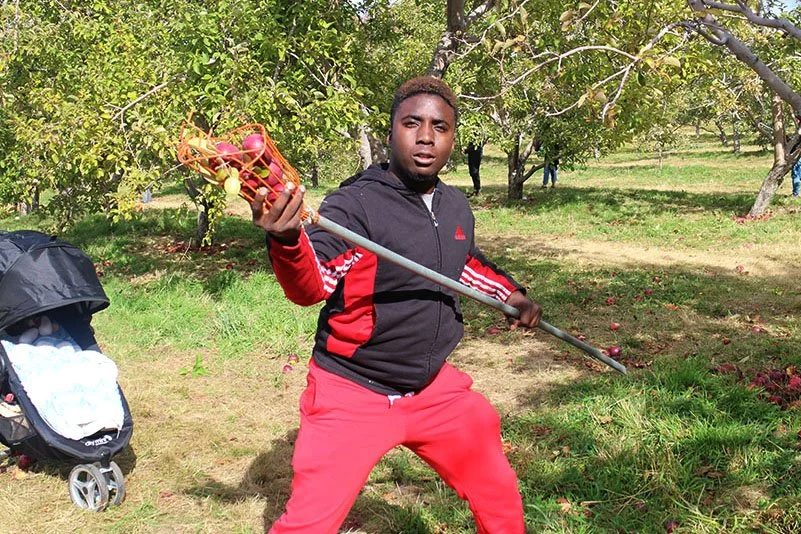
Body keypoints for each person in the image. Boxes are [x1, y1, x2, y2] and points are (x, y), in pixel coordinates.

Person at [251, 75, 542, 534]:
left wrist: (511, 294)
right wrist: (288, 240)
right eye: (412, 123)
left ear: (452, 139)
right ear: (391, 132)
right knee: (308, 524)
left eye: (440, 127)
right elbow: (312, 284)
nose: (426, 137)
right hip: (353, 392)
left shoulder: (453, 205)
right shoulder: (355, 205)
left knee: (499, 492)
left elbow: (460, 261)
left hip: (433, 390)